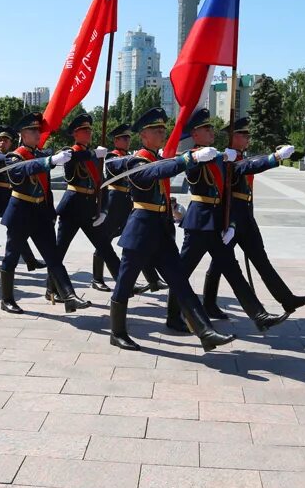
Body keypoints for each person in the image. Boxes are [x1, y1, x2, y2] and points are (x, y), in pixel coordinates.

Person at [106, 107, 235, 352]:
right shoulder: (137, 161)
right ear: (143, 136)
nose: (163, 133)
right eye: (157, 130)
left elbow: (161, 182)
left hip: (162, 230)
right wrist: (190, 159)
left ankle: (205, 332)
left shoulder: (156, 158)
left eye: (164, 129)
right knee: (125, 282)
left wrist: (172, 206)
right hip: (141, 230)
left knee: (180, 281)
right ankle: (117, 332)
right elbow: (157, 172)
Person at [165, 108, 287, 333]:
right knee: (181, 273)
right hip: (199, 224)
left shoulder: (220, 156)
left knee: (233, 270)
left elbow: (245, 167)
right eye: (206, 128)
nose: (212, 131)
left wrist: (274, 158)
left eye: (212, 128)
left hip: (217, 224)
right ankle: (173, 316)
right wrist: (202, 157)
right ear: (195, 134)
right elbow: (188, 167)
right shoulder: (195, 156)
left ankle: (259, 315)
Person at [201, 117, 305, 318]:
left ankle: (287, 299)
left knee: (261, 260)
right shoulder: (227, 160)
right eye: (243, 135)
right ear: (232, 137)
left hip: (246, 217)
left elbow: (250, 167)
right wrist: (275, 157)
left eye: (248, 135)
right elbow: (248, 168)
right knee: (219, 263)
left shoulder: (239, 157)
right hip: (232, 219)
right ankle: (208, 304)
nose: (247, 138)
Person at [0, 112, 90, 314]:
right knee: (11, 257)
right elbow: (25, 168)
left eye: (38, 130)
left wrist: (90, 154)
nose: (37, 133)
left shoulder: (40, 155)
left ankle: (69, 296)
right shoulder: (14, 157)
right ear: (22, 133)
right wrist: (51, 160)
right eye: (32, 130)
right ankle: (7, 299)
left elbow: (48, 184)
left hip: (40, 214)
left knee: (53, 257)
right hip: (20, 212)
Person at [52, 113, 122, 294]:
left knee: (105, 248)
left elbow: (103, 183)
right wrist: (93, 154)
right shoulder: (70, 152)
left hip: (90, 207)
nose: (89, 133)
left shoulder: (93, 156)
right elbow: (74, 158)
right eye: (84, 130)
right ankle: (52, 289)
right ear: (75, 133)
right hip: (72, 208)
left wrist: (104, 209)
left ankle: (124, 283)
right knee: (59, 252)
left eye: (90, 130)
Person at [93, 123, 165, 292]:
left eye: (128, 138)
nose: (127, 141)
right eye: (124, 138)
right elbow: (114, 167)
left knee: (137, 243)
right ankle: (97, 278)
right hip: (114, 201)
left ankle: (153, 279)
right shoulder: (112, 156)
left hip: (127, 201)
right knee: (104, 240)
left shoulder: (131, 156)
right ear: (116, 140)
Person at [0, 125, 45, 274]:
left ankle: (30, 260)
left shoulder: (14, 156)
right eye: (0, 140)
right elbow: (4, 160)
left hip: (9, 198)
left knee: (17, 232)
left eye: (6, 140)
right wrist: (19, 156)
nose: (2, 142)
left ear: (11, 142)